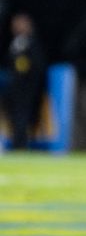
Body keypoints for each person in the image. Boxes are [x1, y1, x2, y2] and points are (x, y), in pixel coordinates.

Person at [2, 13, 47, 149]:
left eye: (20, 24)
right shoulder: (15, 43)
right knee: (13, 116)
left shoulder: (32, 44)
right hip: (13, 88)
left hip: (26, 89)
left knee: (23, 116)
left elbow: (37, 65)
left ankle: (20, 145)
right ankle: (16, 143)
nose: (17, 27)